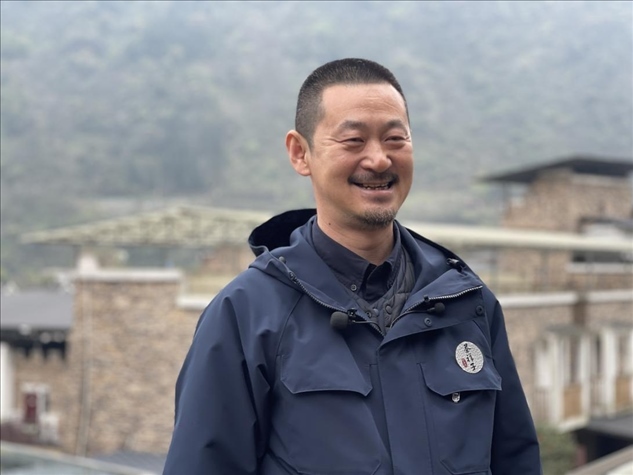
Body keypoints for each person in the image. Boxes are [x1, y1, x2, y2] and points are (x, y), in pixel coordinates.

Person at [163, 58, 542, 474]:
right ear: (300, 153)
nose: (378, 160)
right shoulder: (246, 314)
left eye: (395, 138)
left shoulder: (467, 301)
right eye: (353, 140)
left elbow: (516, 459)